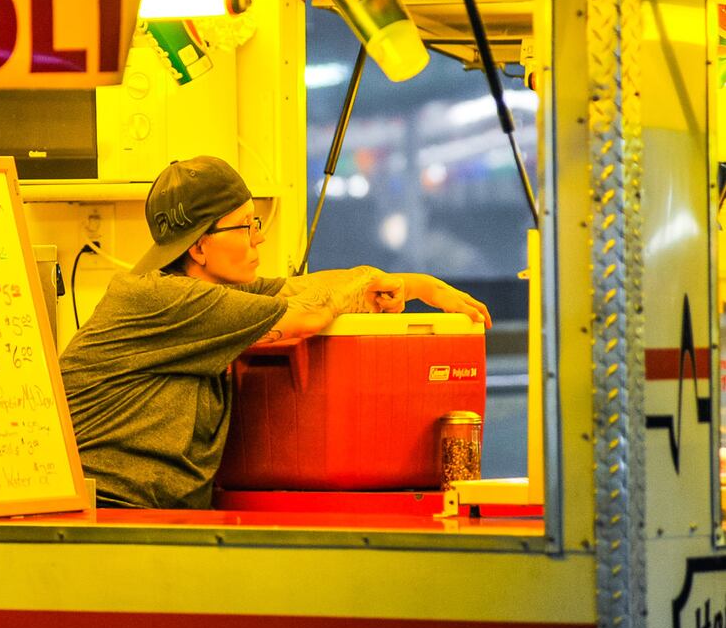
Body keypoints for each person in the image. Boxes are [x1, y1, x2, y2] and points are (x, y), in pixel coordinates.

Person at [59, 155, 491, 510]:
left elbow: (312, 288)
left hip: (157, 511)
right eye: (246, 226)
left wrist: (421, 287)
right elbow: (307, 314)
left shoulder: (220, 293)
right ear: (198, 246)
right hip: (109, 509)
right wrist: (355, 293)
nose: (259, 239)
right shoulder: (165, 300)